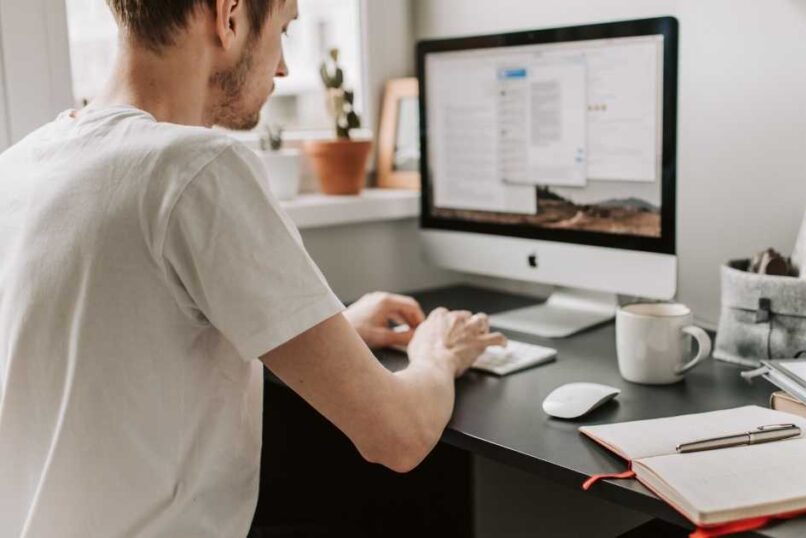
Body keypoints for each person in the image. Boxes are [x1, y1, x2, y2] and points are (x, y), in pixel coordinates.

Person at [0, 0, 505, 536]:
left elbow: (118, 356)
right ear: (230, 16)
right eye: (284, 29)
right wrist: (437, 355)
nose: (284, 67)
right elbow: (399, 437)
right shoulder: (197, 168)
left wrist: (332, 332)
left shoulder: (20, 168)